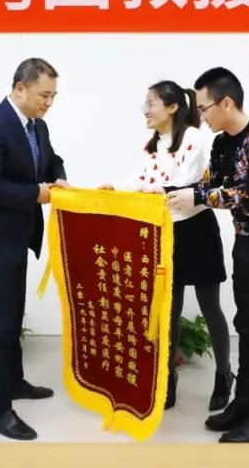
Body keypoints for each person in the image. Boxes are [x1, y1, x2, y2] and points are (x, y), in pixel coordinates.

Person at [166, 67, 249, 443]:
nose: (200, 116)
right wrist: (164, 191)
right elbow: (209, 183)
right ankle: (243, 405)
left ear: (226, 103)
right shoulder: (222, 144)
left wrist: (198, 196)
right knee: (247, 327)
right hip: (246, 245)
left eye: (203, 108)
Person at [100, 80, 233, 412]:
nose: (145, 111)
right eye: (144, 104)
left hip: (197, 231)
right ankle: (168, 378)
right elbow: (141, 180)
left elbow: (184, 184)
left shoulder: (193, 138)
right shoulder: (152, 145)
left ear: (172, 107)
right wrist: (114, 187)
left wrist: (149, 190)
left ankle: (224, 375)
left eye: (151, 103)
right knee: (168, 309)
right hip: (166, 231)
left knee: (210, 306)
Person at [0, 58, 69, 441]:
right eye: (43, 95)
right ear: (20, 88)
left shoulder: (37, 126)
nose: (48, 103)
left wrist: (58, 178)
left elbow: (51, 160)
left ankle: (14, 381)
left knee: (12, 316)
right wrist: (37, 194)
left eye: (53, 96)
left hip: (16, 239)